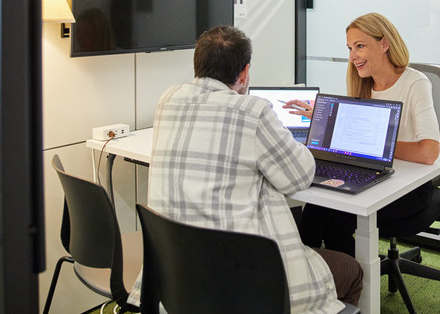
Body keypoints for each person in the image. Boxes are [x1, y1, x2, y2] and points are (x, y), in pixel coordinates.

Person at [127, 25, 362, 312]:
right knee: (351, 272)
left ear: (197, 65)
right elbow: (299, 177)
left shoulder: (168, 100)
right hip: (242, 283)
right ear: (245, 72)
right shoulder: (253, 111)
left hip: (178, 276)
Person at [283, 13, 440, 257]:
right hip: (370, 174)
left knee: (337, 219)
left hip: (409, 189)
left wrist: (379, 147)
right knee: (315, 209)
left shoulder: (415, 83)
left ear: (384, 44)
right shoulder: (362, 84)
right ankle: (314, 279)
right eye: (349, 48)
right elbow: (358, 134)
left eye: (360, 46)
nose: (353, 56)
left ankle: (349, 284)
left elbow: (429, 152)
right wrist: (323, 116)